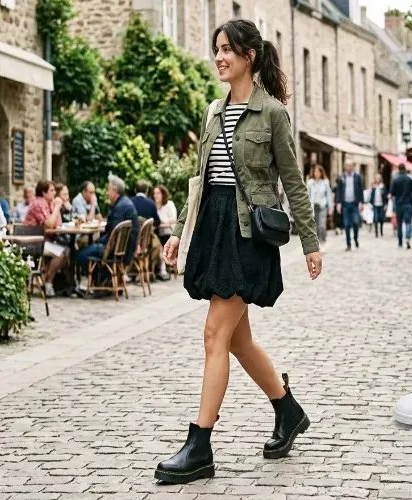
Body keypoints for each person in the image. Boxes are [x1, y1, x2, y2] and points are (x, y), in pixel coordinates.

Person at [158, 19, 321, 485]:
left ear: (250, 55)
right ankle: (288, 412)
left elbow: (293, 182)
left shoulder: (272, 113)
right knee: (237, 340)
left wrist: (309, 243)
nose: (220, 58)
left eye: (228, 49)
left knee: (215, 334)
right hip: (214, 226)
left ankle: (200, 446)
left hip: (249, 235)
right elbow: (199, 182)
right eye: (216, 50)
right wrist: (178, 232)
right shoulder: (213, 111)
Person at [74, 176, 139, 290]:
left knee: (79, 254)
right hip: (125, 249)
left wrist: (98, 241)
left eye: (108, 190)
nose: (107, 193)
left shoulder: (119, 208)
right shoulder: (125, 203)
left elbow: (112, 234)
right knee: (91, 247)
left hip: (114, 250)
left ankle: (94, 281)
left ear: (114, 191)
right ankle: (100, 281)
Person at [25, 180, 68, 297]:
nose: (54, 193)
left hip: (43, 240)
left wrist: (56, 207)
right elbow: (49, 224)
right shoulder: (38, 203)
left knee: (65, 252)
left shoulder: (48, 202)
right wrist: (58, 206)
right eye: (52, 190)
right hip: (32, 241)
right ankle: (47, 283)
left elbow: (57, 224)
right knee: (60, 254)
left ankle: (47, 281)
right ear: (43, 193)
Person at [335, 160, 364, 251]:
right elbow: (339, 191)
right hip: (345, 204)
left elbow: (360, 190)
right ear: (344, 166)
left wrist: (361, 202)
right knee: (346, 224)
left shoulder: (357, 176)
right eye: (347, 165)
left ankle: (355, 238)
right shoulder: (341, 177)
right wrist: (338, 203)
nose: (348, 167)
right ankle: (348, 244)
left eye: (350, 165)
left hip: (355, 204)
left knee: (356, 222)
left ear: (353, 166)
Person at [389, 163, 412, 249]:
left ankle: (400, 242)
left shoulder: (395, 180)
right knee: (408, 222)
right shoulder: (409, 179)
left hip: (398, 204)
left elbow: (391, 193)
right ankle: (407, 237)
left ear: (398, 169)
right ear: (405, 169)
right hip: (407, 203)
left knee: (399, 224)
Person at [306, 165, 332, 252]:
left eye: (318, 171)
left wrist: (330, 208)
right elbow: (307, 195)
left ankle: (322, 242)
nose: (316, 173)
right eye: (315, 171)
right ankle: (316, 245)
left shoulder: (325, 182)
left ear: (321, 173)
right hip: (313, 207)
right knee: (314, 227)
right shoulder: (310, 183)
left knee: (322, 226)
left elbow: (329, 195)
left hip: (322, 206)